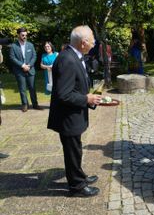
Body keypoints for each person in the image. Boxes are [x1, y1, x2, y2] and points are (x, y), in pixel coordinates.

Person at [47, 25, 102, 197]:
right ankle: (77, 187)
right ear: (84, 42)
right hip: (67, 117)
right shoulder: (67, 59)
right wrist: (86, 99)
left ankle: (79, 176)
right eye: (92, 39)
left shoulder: (75, 56)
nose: (94, 42)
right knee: (72, 151)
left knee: (75, 149)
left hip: (73, 115)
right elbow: (63, 94)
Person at [9, 27, 42, 112]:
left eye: (25, 35)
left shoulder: (30, 45)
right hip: (19, 71)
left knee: (32, 88)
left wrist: (29, 65)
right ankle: (25, 105)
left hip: (30, 70)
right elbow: (12, 58)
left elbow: (34, 56)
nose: (24, 37)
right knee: (22, 89)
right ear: (18, 35)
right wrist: (23, 65)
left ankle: (35, 104)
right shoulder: (13, 46)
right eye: (22, 35)